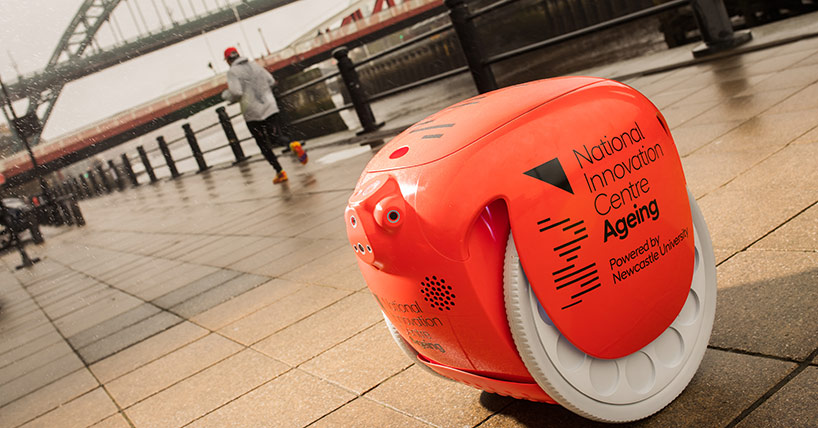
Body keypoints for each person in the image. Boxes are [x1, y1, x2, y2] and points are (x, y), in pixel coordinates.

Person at [221, 47, 307, 184]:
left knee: (263, 144)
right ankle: (292, 144)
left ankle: (280, 172)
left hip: (253, 113)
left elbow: (236, 92)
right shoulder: (255, 65)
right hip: (270, 107)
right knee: (276, 136)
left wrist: (226, 96)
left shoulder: (232, 72)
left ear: (228, 60)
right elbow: (271, 81)